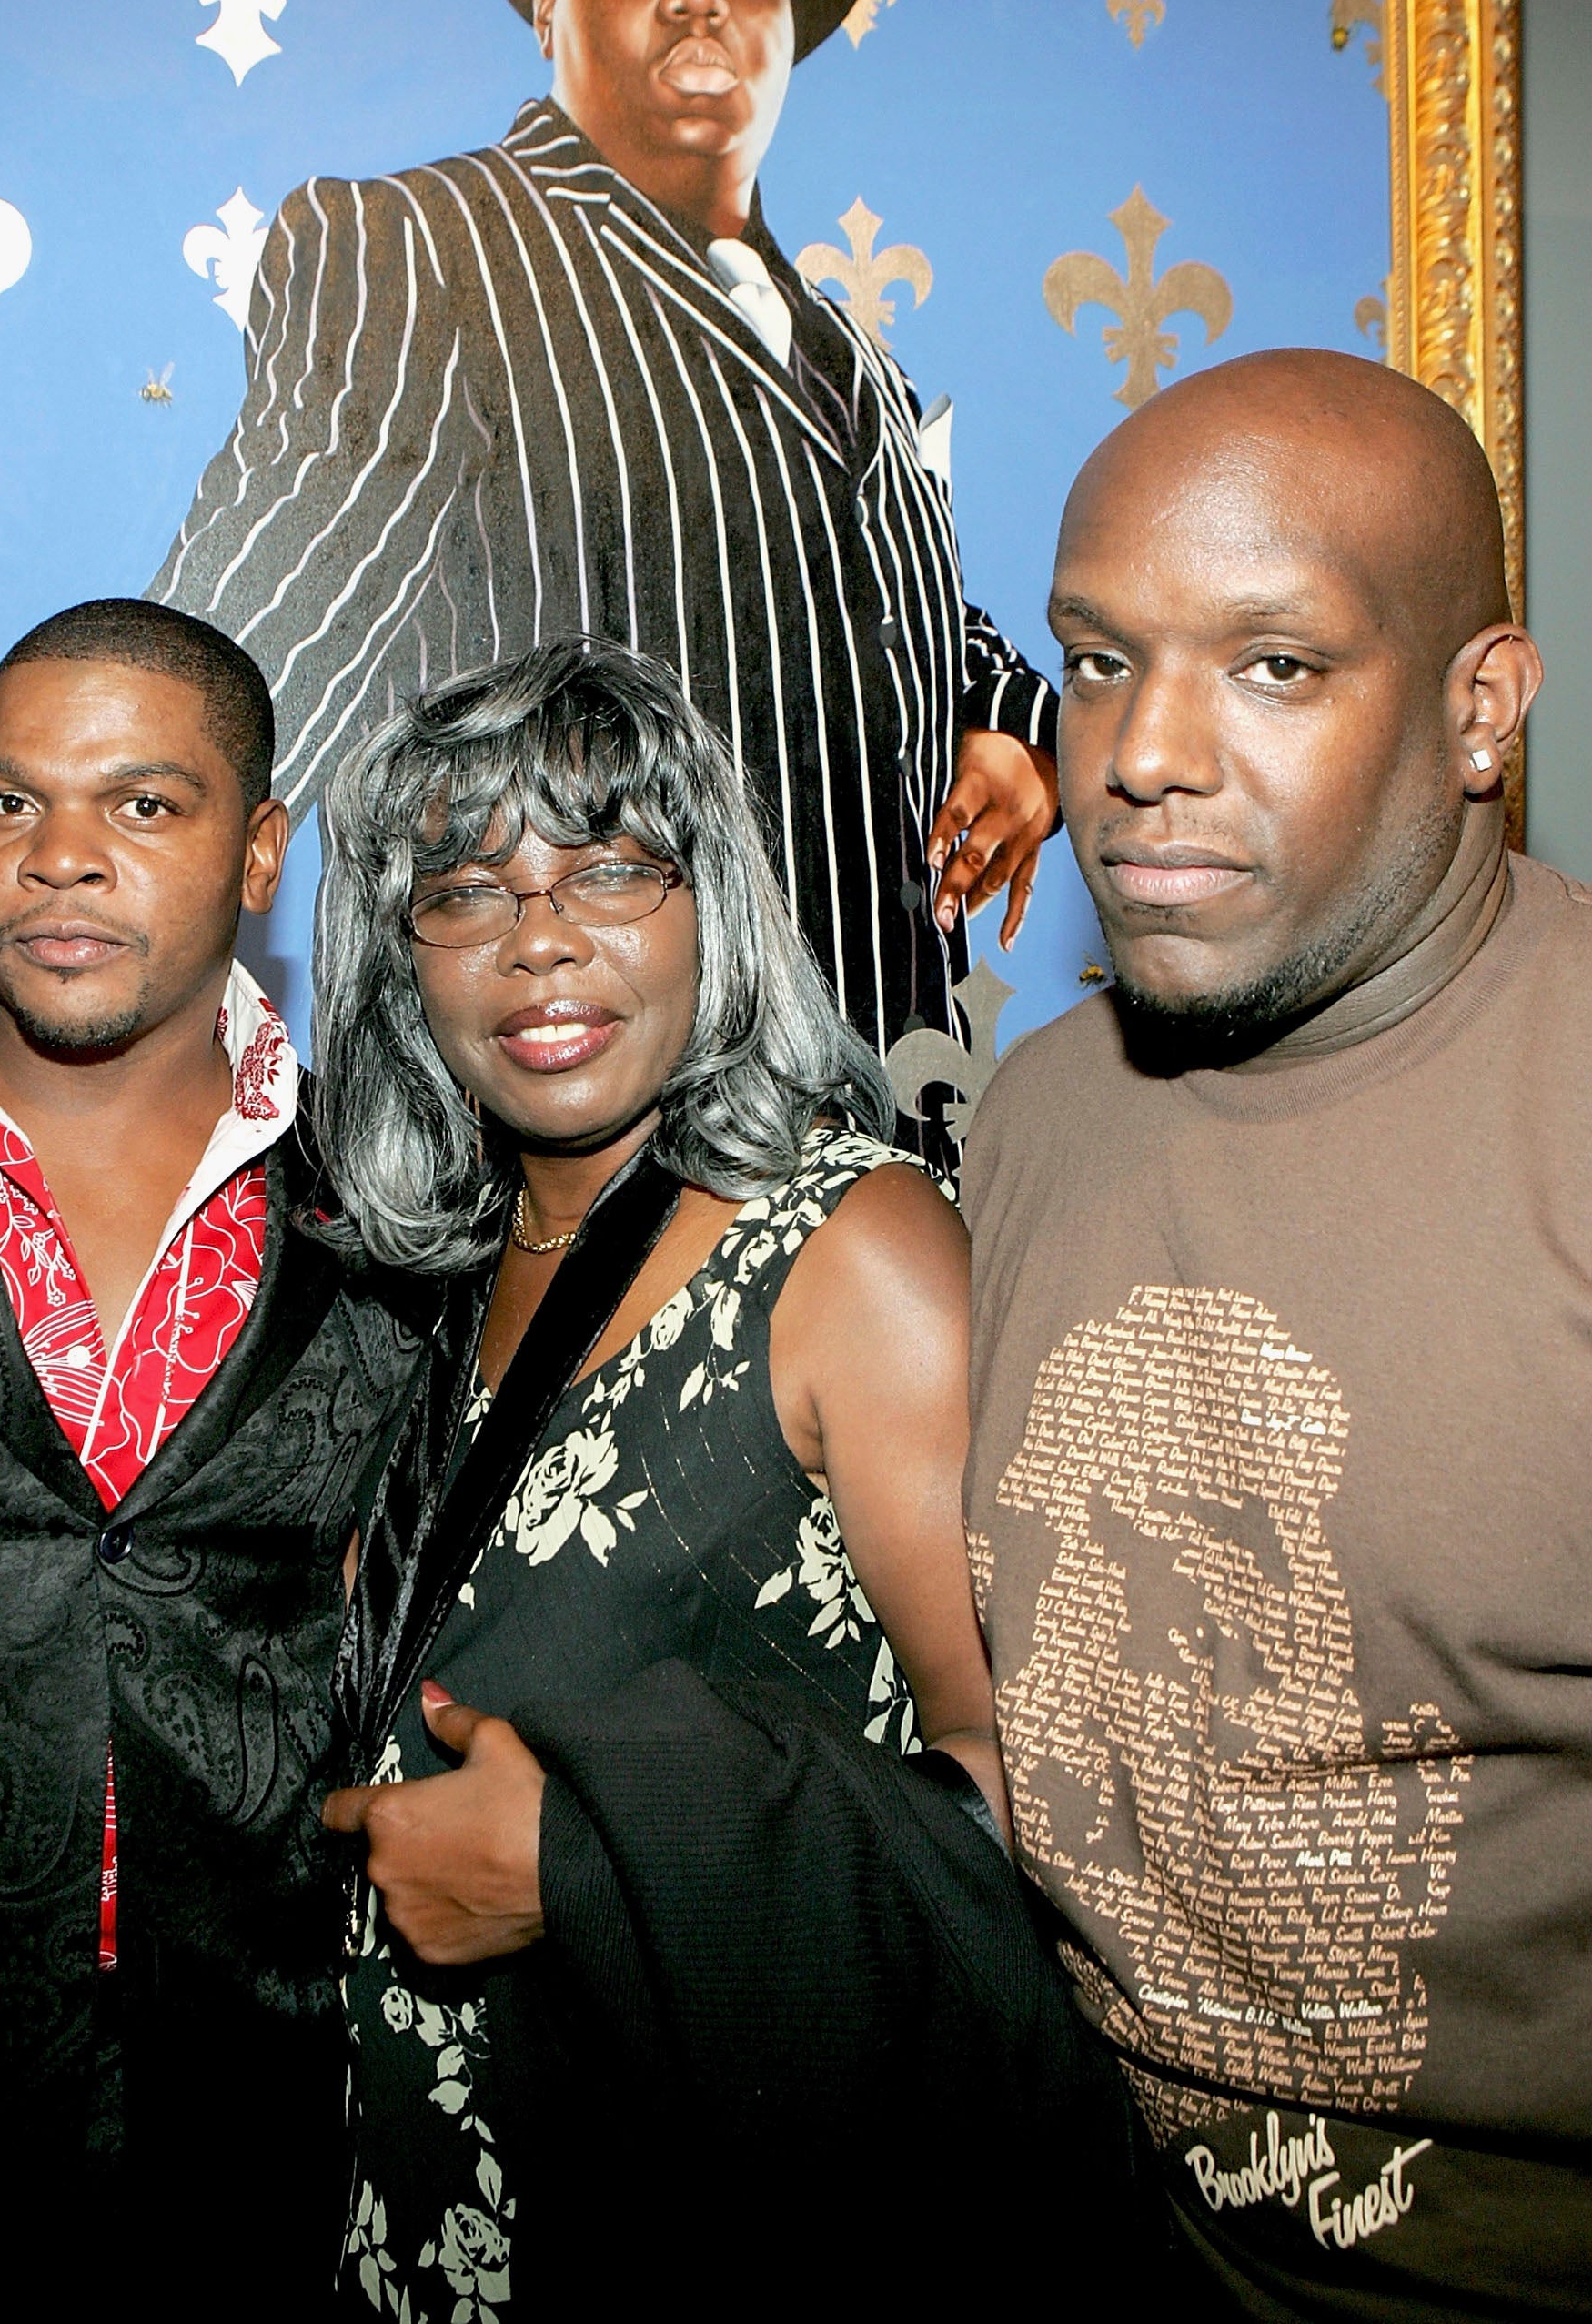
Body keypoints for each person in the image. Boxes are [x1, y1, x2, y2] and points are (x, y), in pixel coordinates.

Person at [311, 637, 1144, 2319]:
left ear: (718, 907)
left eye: (612, 868)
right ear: (405, 964)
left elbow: (1054, 1807)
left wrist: (599, 1863)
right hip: (429, 2213)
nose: (539, 938)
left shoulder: (853, 1250)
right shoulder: (449, 1276)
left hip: (705, 2225)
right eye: (465, 892)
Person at [962, 349, 1587, 2316]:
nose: (1136, 754)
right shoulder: (1027, 1118)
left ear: (1476, 711)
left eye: (1271, 668)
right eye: (1091, 661)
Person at [146, 0, 1058, 1064]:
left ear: (789, 28)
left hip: (889, 1125)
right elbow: (275, 621)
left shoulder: (859, 360)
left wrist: (1013, 732)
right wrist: (115, 774)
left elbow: (890, 618)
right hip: (585, 1153)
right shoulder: (427, 248)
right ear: (543, 5)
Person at [0, 600, 423, 2292]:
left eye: (143, 804)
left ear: (261, 851)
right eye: (8, 801)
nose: (60, 859)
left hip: (274, 2122)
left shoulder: (414, 1204)